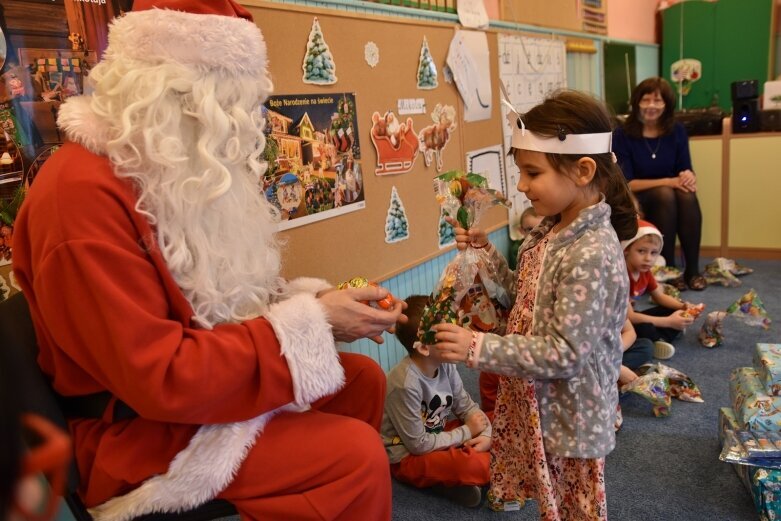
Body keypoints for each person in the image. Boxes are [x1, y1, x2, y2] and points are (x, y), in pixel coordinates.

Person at [11, 2, 405, 520]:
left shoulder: (170, 170)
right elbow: (162, 378)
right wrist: (313, 323)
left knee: (361, 383)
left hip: (188, 395)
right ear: (175, 93)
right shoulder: (79, 196)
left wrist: (316, 307)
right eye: (231, 104)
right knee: (353, 457)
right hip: (132, 429)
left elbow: (218, 302)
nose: (242, 129)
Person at [434, 90, 637, 520]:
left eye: (532, 172)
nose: (522, 186)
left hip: (570, 415)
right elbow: (522, 298)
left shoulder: (591, 253)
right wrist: (486, 255)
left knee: (570, 508)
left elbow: (563, 353)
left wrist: (477, 347)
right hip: (537, 400)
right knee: (549, 505)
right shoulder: (548, 228)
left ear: (582, 170)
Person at [381, 295, 491, 508]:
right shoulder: (404, 384)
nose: (458, 339)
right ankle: (449, 479)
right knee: (477, 464)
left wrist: (486, 434)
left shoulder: (445, 363)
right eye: (447, 337)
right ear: (424, 348)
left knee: (502, 419)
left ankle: (459, 473)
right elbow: (419, 445)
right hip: (407, 454)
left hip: (437, 434)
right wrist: (468, 432)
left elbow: (466, 406)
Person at [613, 77, 707, 291]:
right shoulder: (623, 134)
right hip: (637, 197)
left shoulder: (677, 131)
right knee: (666, 193)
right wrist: (670, 181)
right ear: (636, 102)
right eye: (645, 100)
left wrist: (687, 177)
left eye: (658, 101)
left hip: (671, 195)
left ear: (667, 105)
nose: (651, 106)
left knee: (686, 195)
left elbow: (685, 167)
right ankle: (668, 268)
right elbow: (626, 183)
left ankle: (692, 270)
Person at [622, 219, 702, 360]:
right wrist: (669, 322)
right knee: (645, 328)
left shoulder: (645, 272)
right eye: (641, 251)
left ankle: (662, 336)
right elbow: (631, 317)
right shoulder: (621, 275)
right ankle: (660, 340)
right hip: (622, 323)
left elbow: (659, 296)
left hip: (631, 315)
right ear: (626, 249)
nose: (648, 258)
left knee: (672, 310)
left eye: (654, 253)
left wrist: (683, 306)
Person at [508, 206, 543, 270]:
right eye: (530, 229)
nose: (535, 233)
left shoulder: (547, 244)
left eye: (539, 228)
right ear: (521, 231)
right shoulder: (516, 250)